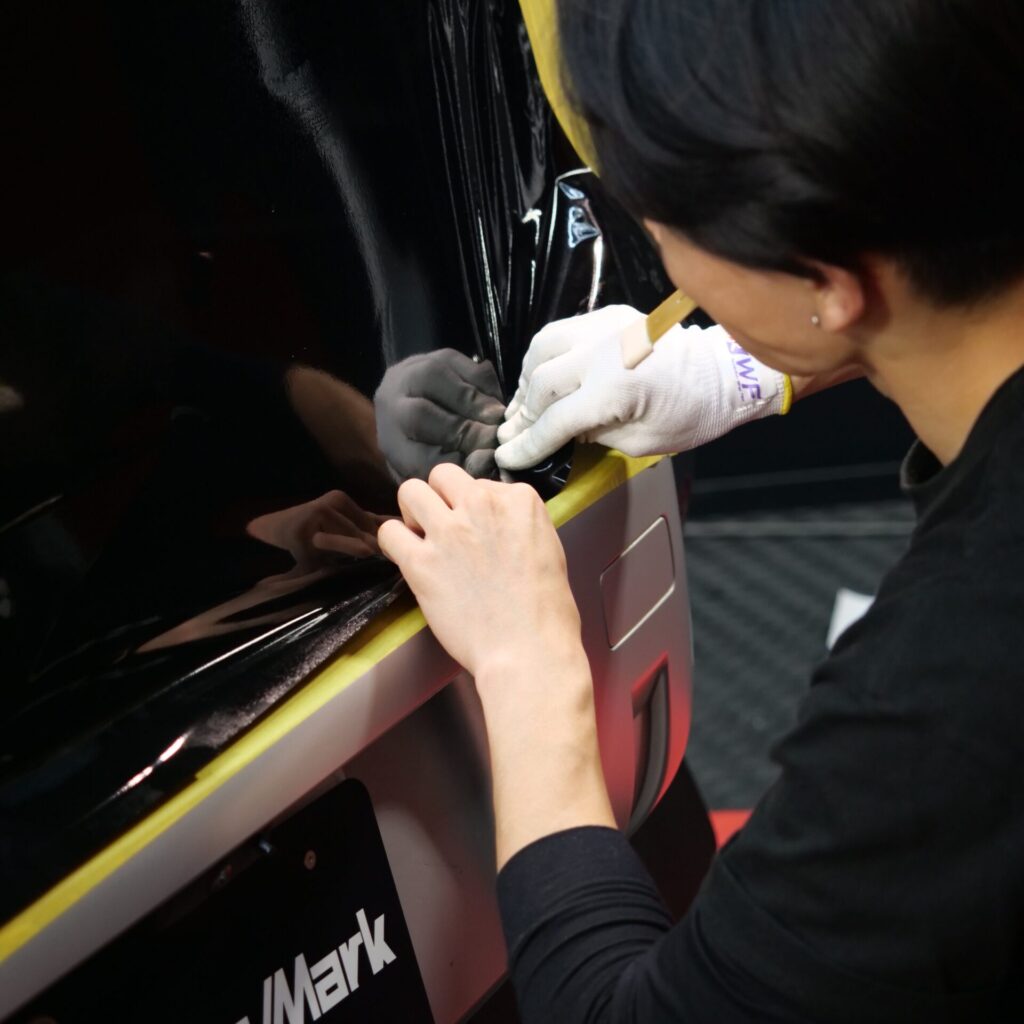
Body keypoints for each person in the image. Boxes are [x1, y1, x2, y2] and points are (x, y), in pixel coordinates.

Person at [377, 0, 1024, 1019]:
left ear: (823, 277)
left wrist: (528, 667)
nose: (664, 258)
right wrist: (745, 367)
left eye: (663, 220)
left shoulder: (945, 700)